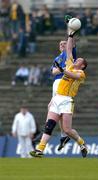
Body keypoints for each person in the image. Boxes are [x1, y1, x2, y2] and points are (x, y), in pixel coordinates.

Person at [30, 22, 88, 158]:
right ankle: (40, 149)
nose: (76, 59)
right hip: (57, 98)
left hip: (67, 100)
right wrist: (70, 33)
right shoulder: (69, 63)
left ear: (83, 66)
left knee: (67, 130)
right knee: (49, 125)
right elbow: (68, 49)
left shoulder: (81, 74)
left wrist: (62, 70)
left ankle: (81, 142)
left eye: (79, 59)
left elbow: (71, 75)